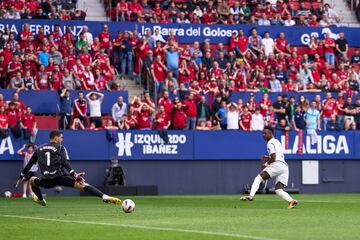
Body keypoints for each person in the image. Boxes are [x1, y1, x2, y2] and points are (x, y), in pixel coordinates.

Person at [15, 130, 122, 206]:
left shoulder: (39, 149)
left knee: (32, 180)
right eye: (61, 137)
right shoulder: (60, 147)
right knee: (83, 185)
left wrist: (20, 177)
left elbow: (29, 165)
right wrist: (74, 174)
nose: (62, 139)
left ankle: (41, 200)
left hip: (46, 179)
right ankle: (104, 196)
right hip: (60, 176)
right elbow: (65, 162)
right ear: (56, 138)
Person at [240, 126, 298, 209]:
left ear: (270, 133)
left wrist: (266, 164)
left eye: (265, 133)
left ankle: (251, 196)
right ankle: (292, 201)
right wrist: (268, 158)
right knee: (278, 190)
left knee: (258, 179)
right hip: (284, 166)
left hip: (277, 164)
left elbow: (274, 158)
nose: (263, 135)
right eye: (263, 133)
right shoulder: (277, 141)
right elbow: (277, 155)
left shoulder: (270, 143)